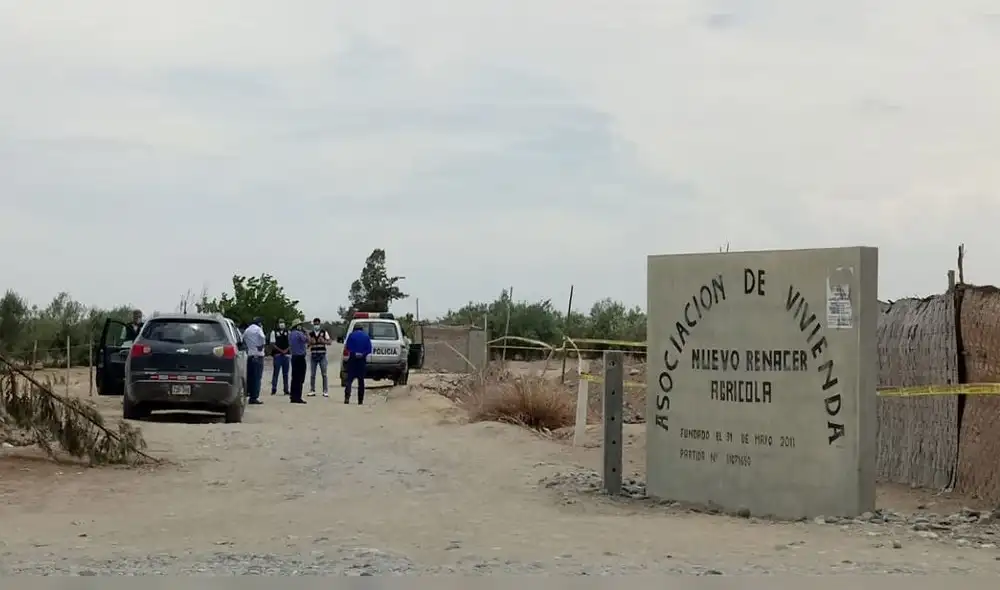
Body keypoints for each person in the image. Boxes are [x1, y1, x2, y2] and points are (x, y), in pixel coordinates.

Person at [343, 323, 372, 405]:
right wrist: (363, 354)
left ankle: (347, 398)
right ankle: (360, 400)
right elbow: (369, 349)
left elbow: (347, 347)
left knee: (349, 380)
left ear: (354, 329)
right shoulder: (366, 336)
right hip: (362, 361)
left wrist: (354, 353)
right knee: (361, 381)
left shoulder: (351, 335)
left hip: (352, 359)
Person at [242, 317, 267, 405]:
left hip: (250, 355)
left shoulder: (247, 330)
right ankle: (254, 397)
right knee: (257, 378)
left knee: (251, 377)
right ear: (259, 323)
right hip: (258, 355)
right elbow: (262, 337)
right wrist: (261, 345)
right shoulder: (258, 329)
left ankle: (249, 393)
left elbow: (243, 339)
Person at [307, 317, 332, 397]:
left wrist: (323, 341)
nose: (316, 325)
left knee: (324, 374)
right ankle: (312, 390)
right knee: (312, 374)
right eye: (315, 324)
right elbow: (307, 345)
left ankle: (325, 391)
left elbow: (330, 342)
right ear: (313, 324)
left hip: (322, 355)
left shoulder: (324, 332)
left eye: (318, 324)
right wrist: (311, 342)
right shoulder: (310, 334)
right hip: (313, 355)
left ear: (319, 324)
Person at [288, 323, 309, 404]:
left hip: (293, 357)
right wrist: (306, 332)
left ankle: (293, 396)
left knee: (294, 377)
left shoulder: (290, 334)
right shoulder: (299, 333)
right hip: (300, 357)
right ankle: (298, 397)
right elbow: (307, 340)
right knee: (300, 378)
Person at [269, 319, 291, 395]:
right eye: (280, 322)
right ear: (277, 324)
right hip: (277, 355)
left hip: (286, 355)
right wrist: (281, 350)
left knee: (286, 373)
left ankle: (286, 389)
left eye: (283, 322)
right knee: (276, 373)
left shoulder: (288, 332)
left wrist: (286, 350)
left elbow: (291, 343)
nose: (282, 324)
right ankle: (274, 389)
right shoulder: (273, 332)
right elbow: (272, 344)